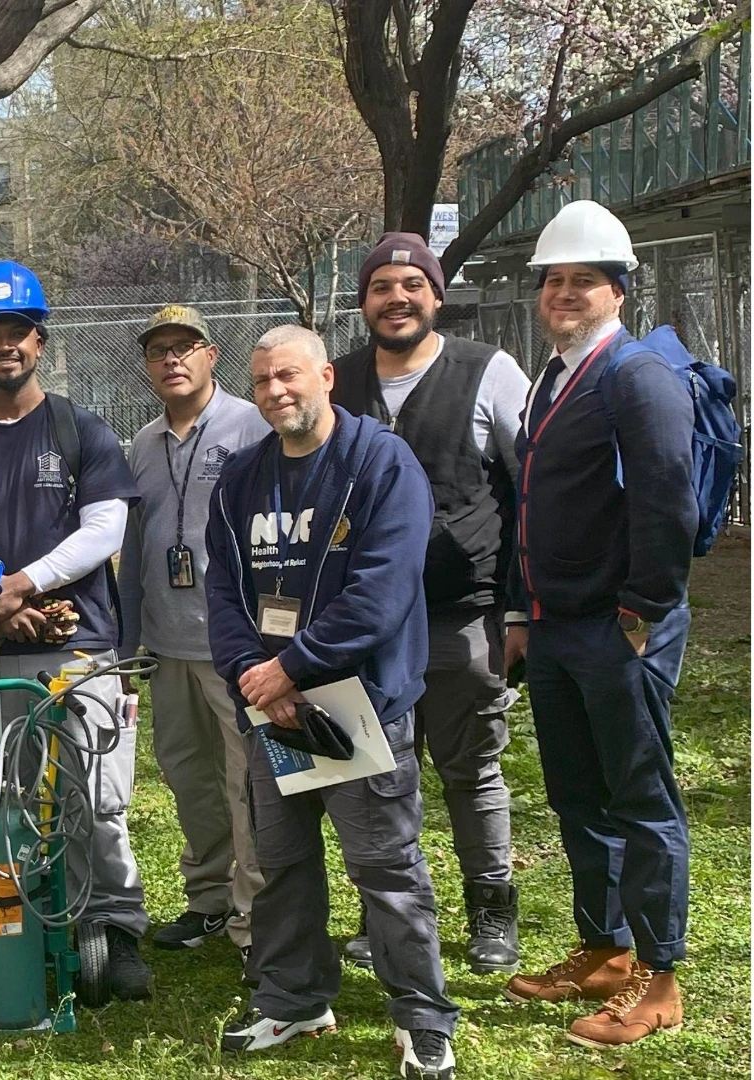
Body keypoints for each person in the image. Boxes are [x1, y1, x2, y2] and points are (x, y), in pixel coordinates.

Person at [206, 325, 457, 1080]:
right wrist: (257, 673)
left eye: (289, 376)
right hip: (276, 708)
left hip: (357, 704)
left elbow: (381, 593)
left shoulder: (381, 462)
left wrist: (294, 667)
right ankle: (294, 1000)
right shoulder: (243, 478)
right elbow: (223, 593)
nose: (276, 392)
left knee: (385, 868)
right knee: (282, 863)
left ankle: (423, 1020)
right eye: (262, 383)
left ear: (325, 376)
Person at [0, 259, 151, 999]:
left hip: (80, 650)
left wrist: (24, 581)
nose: (4, 346)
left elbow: (103, 529)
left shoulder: (80, 430)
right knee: (0, 800)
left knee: (97, 799)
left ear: (40, 342)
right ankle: (14, 924)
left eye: (17, 331)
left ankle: (114, 931)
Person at [501, 201, 696, 1048]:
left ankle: (660, 978)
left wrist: (643, 609)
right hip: (553, 626)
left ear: (619, 291)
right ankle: (604, 948)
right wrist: (521, 610)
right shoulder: (553, 373)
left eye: (585, 280)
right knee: (579, 794)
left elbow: (667, 500)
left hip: (619, 627)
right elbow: (532, 503)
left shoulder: (636, 375)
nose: (566, 292)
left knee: (641, 800)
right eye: (554, 280)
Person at [330, 234, 530, 974]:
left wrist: (516, 610)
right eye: (381, 286)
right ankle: (388, 909)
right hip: (364, 624)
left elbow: (527, 491)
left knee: (471, 768)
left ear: (436, 294)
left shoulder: (489, 371)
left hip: (460, 613)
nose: (397, 298)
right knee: (375, 772)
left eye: (412, 283)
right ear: (365, 301)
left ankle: (492, 909)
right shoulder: (339, 381)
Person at [116, 306, 268, 963]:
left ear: (211, 355)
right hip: (165, 642)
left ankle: (256, 925)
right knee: (189, 780)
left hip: (235, 647)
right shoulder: (142, 445)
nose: (172, 360)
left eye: (185, 347)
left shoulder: (251, 426)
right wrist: (128, 643)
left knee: (249, 785)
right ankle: (209, 900)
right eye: (159, 351)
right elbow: (129, 544)